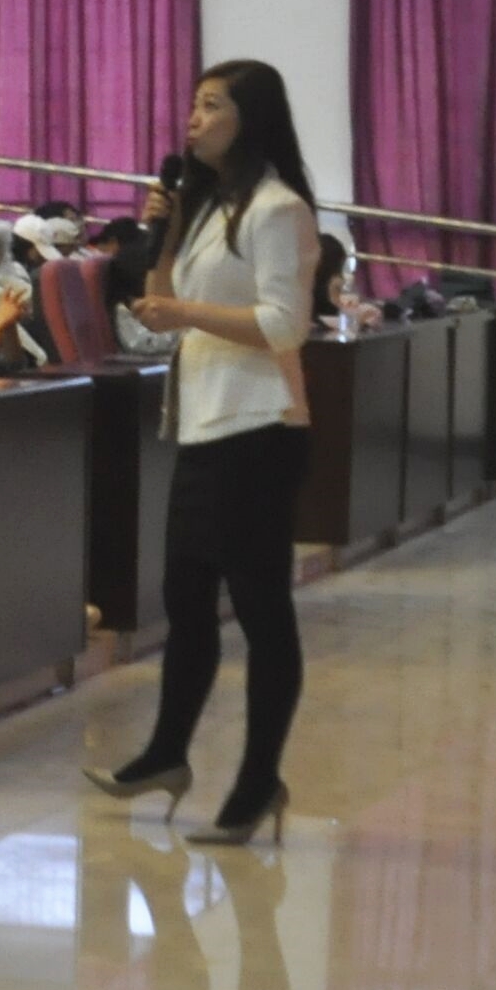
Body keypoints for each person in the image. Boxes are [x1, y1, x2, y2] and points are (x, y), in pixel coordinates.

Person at [91, 61, 323, 848]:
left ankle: (259, 781)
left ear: (249, 118)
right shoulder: (210, 205)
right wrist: (169, 228)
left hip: (259, 427)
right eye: (192, 104)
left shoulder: (278, 209)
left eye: (211, 105)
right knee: (186, 601)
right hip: (203, 424)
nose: (193, 118)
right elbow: (160, 308)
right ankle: (166, 753)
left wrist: (187, 310)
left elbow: (285, 324)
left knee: (261, 610)